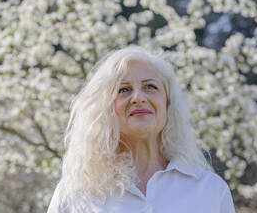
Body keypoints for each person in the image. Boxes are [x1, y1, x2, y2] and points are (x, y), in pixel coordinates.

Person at [47, 47, 235, 213]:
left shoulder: (210, 189)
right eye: (123, 90)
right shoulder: (74, 194)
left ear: (168, 103)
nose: (138, 97)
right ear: (106, 109)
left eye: (150, 87)